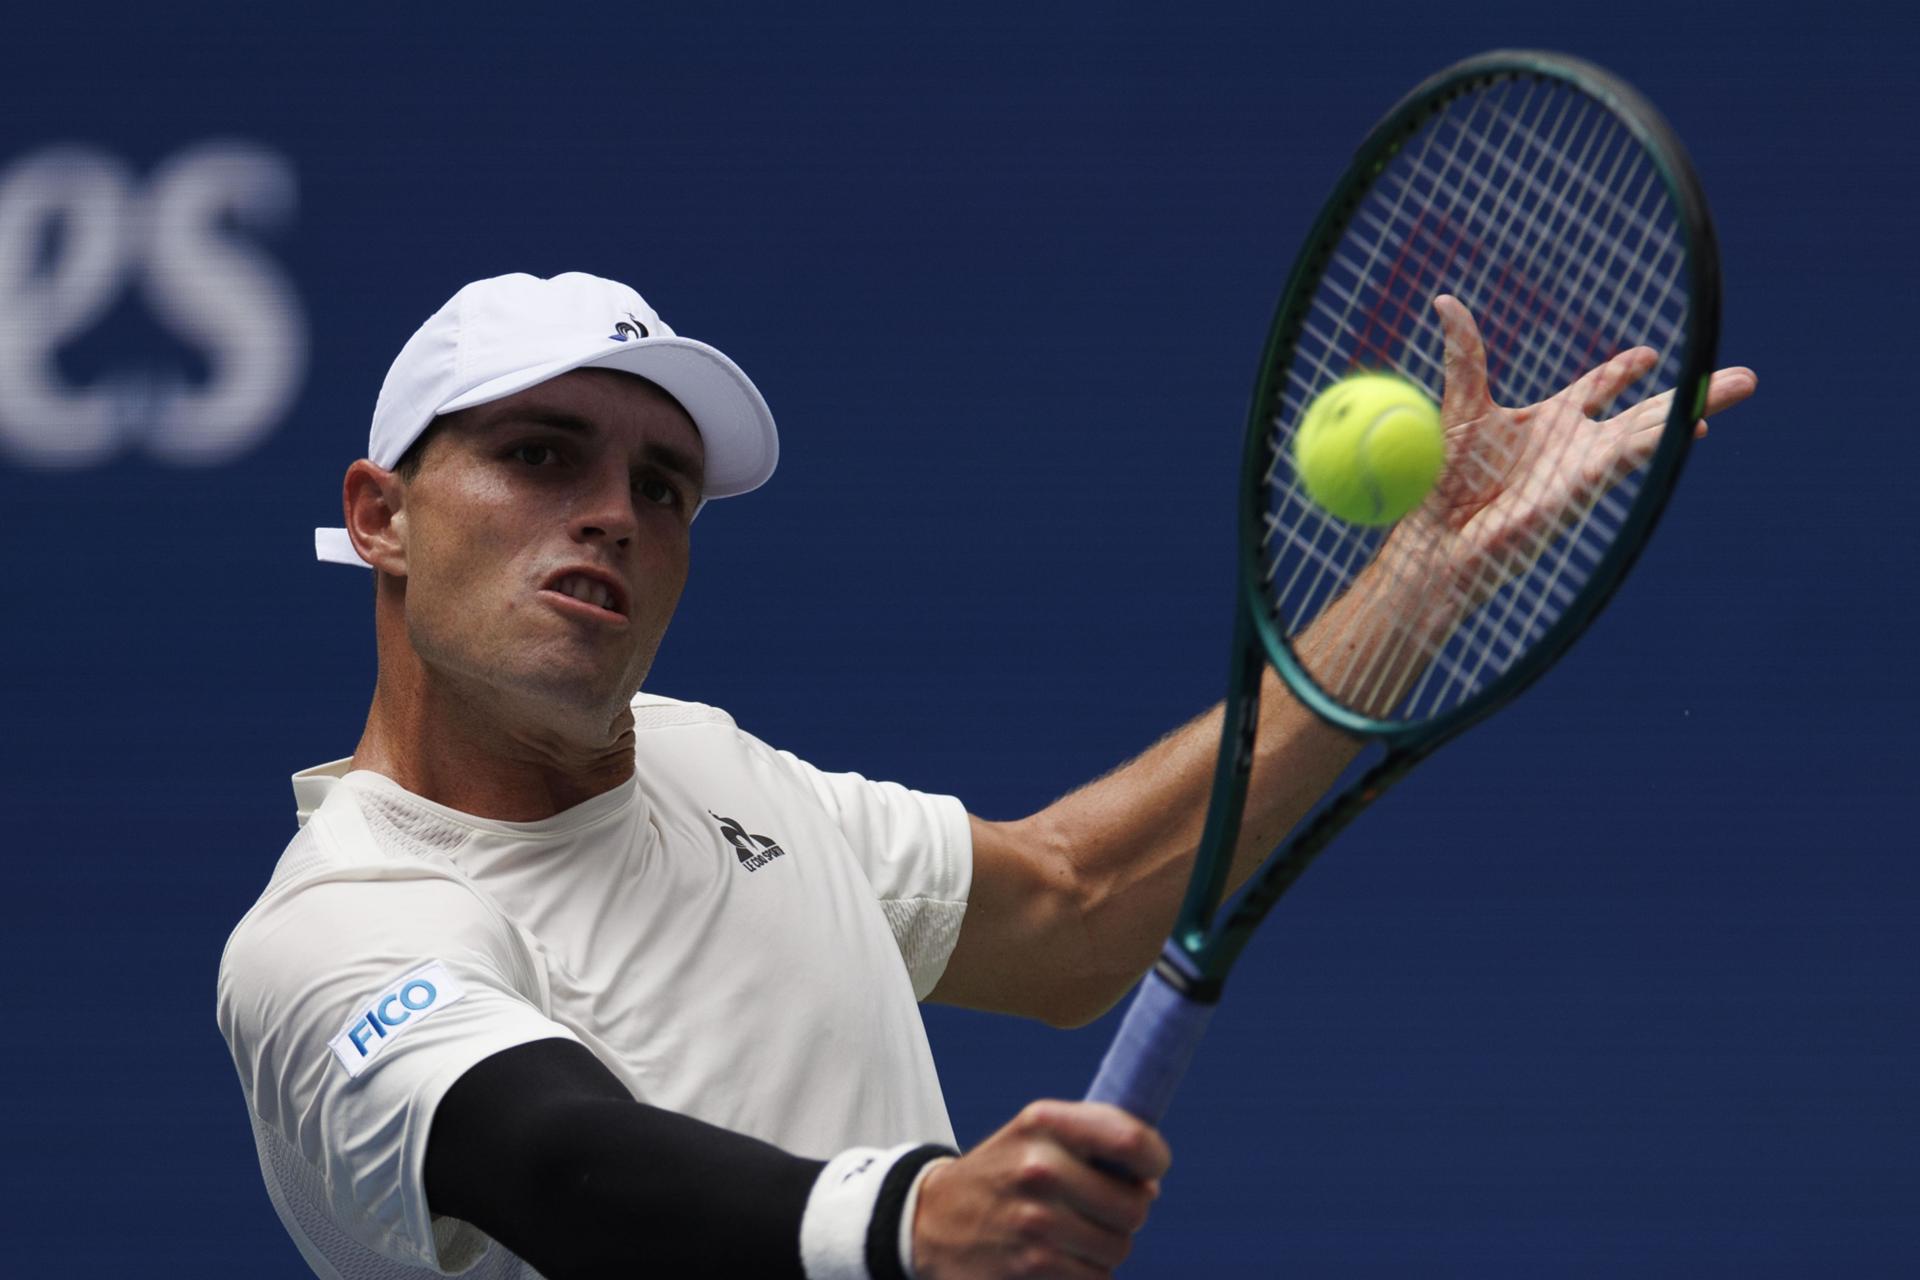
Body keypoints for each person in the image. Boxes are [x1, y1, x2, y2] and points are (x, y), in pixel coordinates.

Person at [216, 272, 1756, 1280]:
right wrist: (912, 1222)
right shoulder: (338, 931)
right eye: (544, 455)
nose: (615, 512)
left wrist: (1420, 583)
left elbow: (1081, 905)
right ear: (382, 516)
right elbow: (551, 1158)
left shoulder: (709, 768)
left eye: (662, 485)